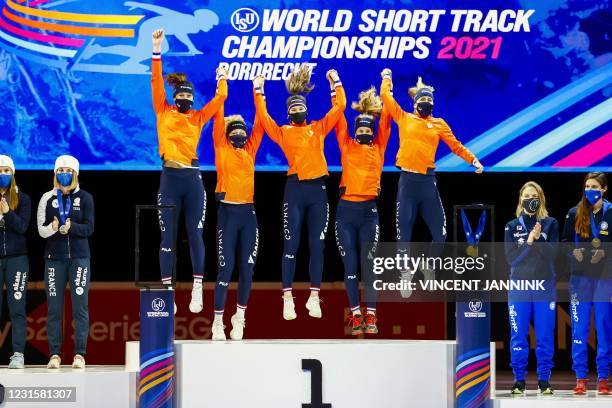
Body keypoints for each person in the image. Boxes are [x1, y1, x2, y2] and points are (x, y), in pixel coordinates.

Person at [253, 66, 346, 320]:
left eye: (299, 108)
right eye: (292, 109)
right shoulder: (283, 132)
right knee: (291, 246)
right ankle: (287, 298)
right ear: (288, 113)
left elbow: (340, 108)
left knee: (318, 247)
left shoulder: (318, 128)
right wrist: (258, 89)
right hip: (294, 191)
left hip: (318, 192)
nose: (296, 111)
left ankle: (313, 297)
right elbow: (263, 117)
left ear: (306, 109)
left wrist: (334, 81)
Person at [380, 70, 483, 285]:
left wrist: (473, 160)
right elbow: (387, 98)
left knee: (440, 233)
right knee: (403, 234)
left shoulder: (439, 124)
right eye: (422, 99)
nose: (426, 102)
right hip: (407, 182)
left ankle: (429, 265)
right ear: (415, 103)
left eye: (429, 99)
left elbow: (455, 146)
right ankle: (405, 274)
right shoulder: (404, 117)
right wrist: (387, 77)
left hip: (428, 183)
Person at [151, 28, 228, 313]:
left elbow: (220, 100)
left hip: (193, 181)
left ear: (193, 100)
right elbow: (156, 81)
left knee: (195, 234)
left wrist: (222, 77)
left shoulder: (197, 117)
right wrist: (156, 50)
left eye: (189, 96)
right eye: (181, 95)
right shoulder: (163, 110)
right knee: (167, 237)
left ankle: (197, 288)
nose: (185, 99)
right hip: (169, 179)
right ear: (176, 96)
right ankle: (168, 291)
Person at [332, 87, 391, 335]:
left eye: (369, 130)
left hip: (369, 213)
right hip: (345, 214)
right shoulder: (346, 145)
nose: (365, 133)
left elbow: (387, 118)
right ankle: (356, 316)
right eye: (361, 130)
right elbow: (339, 114)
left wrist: (386, 83)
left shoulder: (378, 147)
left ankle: (372, 315)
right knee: (351, 266)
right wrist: (335, 86)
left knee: (370, 267)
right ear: (355, 132)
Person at [210, 90, 264, 341]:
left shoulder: (251, 151)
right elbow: (218, 117)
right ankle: (218, 322)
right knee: (225, 268)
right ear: (228, 133)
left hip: (248, 215)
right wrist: (222, 84)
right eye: (236, 131)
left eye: (244, 131)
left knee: (248, 269)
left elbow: (261, 122)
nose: (241, 135)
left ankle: (239, 317)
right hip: (228, 215)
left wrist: (258, 91)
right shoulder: (222, 148)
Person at [37, 155, 94, 369]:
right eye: (60, 170)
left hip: (79, 259)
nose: (64, 173)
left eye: (68, 170)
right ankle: (54, 354)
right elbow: (40, 231)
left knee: (80, 308)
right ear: (55, 173)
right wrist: (52, 229)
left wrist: (73, 228)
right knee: (54, 309)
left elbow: (89, 228)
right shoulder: (47, 198)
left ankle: (79, 354)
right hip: (54, 261)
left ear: (75, 173)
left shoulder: (86, 198)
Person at [504, 181, 558, 395]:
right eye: (526, 196)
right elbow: (510, 260)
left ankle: (544, 380)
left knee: (545, 335)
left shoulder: (551, 223)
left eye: (533, 195)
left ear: (540, 198)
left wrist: (538, 241)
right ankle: (519, 380)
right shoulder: (511, 226)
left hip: (545, 287)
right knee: (518, 335)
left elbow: (554, 255)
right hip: (519, 287)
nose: (530, 199)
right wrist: (529, 241)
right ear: (521, 199)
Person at [563, 172, 611, 395]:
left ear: (604, 189)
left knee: (604, 327)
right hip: (580, 278)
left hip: (605, 278)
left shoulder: (611, 212)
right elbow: (563, 244)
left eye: (594, 186)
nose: (590, 190)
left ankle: (603, 378)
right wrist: (574, 253)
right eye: (587, 186)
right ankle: (581, 377)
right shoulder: (574, 212)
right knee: (580, 328)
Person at [0, 155, 30, 369]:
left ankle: (18, 354)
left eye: (6, 171)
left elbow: (22, 227)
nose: (3, 175)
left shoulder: (23, 199)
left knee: (17, 308)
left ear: (13, 173)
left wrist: (6, 213)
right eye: (0, 171)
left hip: (17, 259)